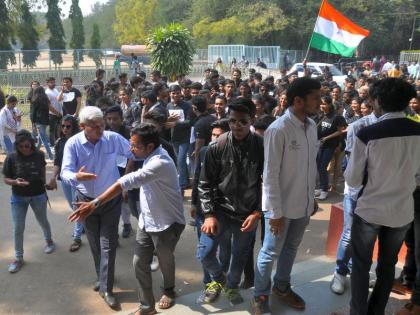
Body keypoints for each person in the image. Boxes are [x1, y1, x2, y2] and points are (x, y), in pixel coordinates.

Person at [70, 123, 185, 315]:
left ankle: (169, 291)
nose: (130, 149)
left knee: (165, 261)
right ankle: (147, 307)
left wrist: (94, 203)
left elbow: (125, 182)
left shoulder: (160, 162)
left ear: (149, 147)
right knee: (139, 262)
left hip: (167, 223)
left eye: (135, 146)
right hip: (146, 221)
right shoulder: (149, 155)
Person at [345, 78, 420, 315]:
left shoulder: (367, 133)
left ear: (377, 101)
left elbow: (352, 179)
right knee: (387, 266)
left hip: (370, 210)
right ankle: (376, 311)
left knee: (360, 264)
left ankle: (358, 312)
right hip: (402, 211)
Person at [252, 77, 321, 315]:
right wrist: (275, 212)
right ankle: (260, 294)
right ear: (298, 100)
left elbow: (310, 166)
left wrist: (311, 198)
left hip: (302, 204)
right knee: (270, 252)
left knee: (291, 247)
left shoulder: (312, 126)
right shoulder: (278, 129)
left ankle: (281, 287)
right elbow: (269, 174)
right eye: (316, 97)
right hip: (280, 208)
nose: (320, 102)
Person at [60, 106, 134, 309]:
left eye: (103, 125)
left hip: (110, 199)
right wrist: (76, 176)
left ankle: (107, 288)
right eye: (96, 127)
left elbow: (133, 153)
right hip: (85, 202)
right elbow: (65, 171)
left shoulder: (112, 138)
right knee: (94, 243)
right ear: (83, 126)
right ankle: (102, 277)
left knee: (107, 244)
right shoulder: (73, 144)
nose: (101, 129)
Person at [198, 97, 264, 306]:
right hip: (220, 211)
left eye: (243, 121)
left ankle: (233, 286)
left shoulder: (261, 146)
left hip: (247, 214)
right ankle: (220, 280)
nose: (237, 126)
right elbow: (204, 182)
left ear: (252, 120)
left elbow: (268, 184)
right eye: (233, 121)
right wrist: (208, 214)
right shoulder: (217, 146)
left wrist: (258, 213)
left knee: (240, 254)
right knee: (205, 253)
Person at [330, 95, 381, 295]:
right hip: (356, 190)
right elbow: (352, 164)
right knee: (350, 234)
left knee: (370, 236)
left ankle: (359, 271)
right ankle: (340, 273)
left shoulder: (396, 127)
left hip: (378, 192)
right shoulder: (358, 127)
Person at [3, 130, 56, 273]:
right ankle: (18, 258)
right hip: (18, 197)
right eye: (21, 147)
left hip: (38, 195)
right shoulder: (11, 157)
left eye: (27, 146)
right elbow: (6, 179)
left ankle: (49, 241)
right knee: (18, 228)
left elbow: (43, 171)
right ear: (17, 146)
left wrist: (45, 185)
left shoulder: (39, 155)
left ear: (32, 144)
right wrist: (15, 181)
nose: (25, 149)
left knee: (43, 220)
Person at [46, 115, 82, 252]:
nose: (65, 128)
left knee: (76, 205)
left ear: (74, 127)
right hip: (64, 178)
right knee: (73, 206)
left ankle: (77, 237)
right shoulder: (59, 142)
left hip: (77, 178)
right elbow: (57, 162)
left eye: (68, 126)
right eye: (63, 126)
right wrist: (53, 178)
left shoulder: (79, 141)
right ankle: (83, 224)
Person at [104, 105, 133, 238]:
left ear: (121, 119)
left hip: (127, 170)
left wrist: (125, 179)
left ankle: (127, 224)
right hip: (110, 170)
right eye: (109, 119)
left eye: (115, 119)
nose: (112, 122)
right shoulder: (104, 132)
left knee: (125, 201)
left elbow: (132, 157)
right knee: (111, 202)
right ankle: (112, 231)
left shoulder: (129, 132)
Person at [315, 96, 347, 200]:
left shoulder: (337, 117)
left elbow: (340, 131)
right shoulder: (320, 115)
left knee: (323, 166)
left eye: (324, 104)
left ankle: (324, 190)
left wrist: (327, 138)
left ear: (329, 104)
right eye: (321, 104)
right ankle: (320, 187)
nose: (322, 106)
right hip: (320, 145)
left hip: (330, 145)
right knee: (319, 166)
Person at [166, 85, 193, 191]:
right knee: (178, 160)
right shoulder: (168, 106)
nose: (175, 95)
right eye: (173, 93)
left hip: (185, 137)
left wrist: (176, 123)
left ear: (180, 93)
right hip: (174, 137)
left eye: (177, 93)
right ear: (170, 94)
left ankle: (182, 183)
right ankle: (185, 178)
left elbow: (190, 121)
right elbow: (167, 120)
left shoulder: (186, 106)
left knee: (181, 160)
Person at [31, 86, 60, 160]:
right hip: (45, 121)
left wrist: (33, 123)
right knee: (41, 139)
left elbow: (33, 113)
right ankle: (34, 152)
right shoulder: (45, 99)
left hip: (38, 121)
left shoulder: (35, 100)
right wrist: (57, 113)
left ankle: (50, 156)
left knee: (43, 139)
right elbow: (51, 108)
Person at [45, 77, 63, 147]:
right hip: (52, 114)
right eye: (51, 82)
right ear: (47, 83)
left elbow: (59, 99)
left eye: (54, 82)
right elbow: (49, 106)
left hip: (59, 113)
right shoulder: (47, 92)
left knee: (58, 130)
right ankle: (52, 145)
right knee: (52, 131)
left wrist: (62, 91)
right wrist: (56, 113)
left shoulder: (55, 90)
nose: (53, 84)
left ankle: (58, 144)